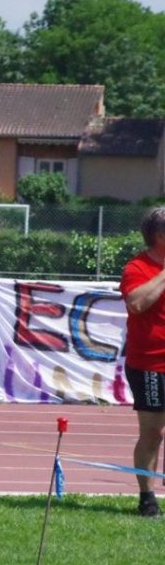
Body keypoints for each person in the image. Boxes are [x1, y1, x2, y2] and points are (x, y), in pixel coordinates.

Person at [120, 206, 165, 518]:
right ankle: (147, 498)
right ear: (160, 237)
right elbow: (137, 304)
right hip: (150, 363)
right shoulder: (137, 267)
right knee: (153, 433)